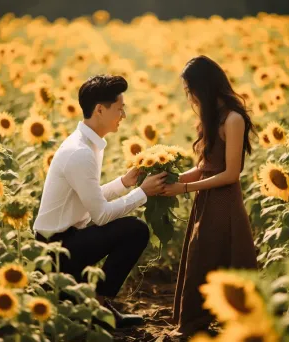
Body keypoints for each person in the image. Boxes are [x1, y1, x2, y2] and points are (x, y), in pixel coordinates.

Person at [33, 74, 168, 328]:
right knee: (135, 230)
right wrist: (143, 193)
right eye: (119, 109)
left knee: (130, 228)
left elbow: (89, 199)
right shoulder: (80, 152)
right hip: (55, 252)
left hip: (69, 241)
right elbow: (101, 215)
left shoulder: (87, 145)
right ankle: (97, 307)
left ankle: (92, 305)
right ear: (99, 110)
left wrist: (124, 184)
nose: (123, 116)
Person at [160, 56, 258, 337]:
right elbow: (205, 166)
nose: (189, 95)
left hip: (224, 201)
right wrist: (173, 179)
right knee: (201, 256)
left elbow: (230, 174)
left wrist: (185, 188)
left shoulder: (233, 119)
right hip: (205, 198)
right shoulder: (211, 117)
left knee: (224, 256)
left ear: (203, 86)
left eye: (190, 88)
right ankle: (200, 321)